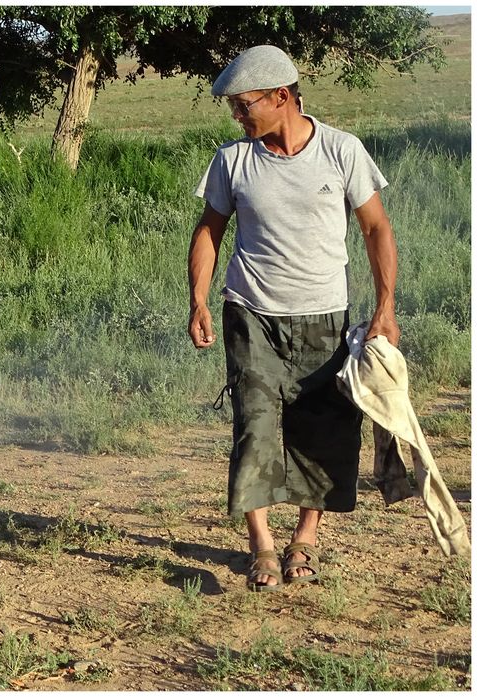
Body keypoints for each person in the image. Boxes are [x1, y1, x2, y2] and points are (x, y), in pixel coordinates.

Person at [187, 45, 399, 591]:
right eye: (233, 108)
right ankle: (260, 545)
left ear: (282, 96)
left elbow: (376, 228)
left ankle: (305, 539)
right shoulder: (233, 161)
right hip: (250, 312)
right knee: (254, 425)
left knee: (323, 429)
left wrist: (385, 307)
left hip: (325, 315)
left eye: (244, 105)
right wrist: (200, 299)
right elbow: (209, 230)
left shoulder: (341, 151)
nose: (238, 116)